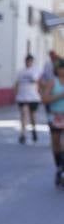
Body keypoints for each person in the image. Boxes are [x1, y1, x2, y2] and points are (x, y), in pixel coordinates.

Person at [40, 57, 64, 187]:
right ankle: (59, 167)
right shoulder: (52, 82)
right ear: (57, 69)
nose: (63, 70)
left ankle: (63, 169)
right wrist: (60, 96)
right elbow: (45, 99)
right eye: (61, 68)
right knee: (55, 143)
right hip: (55, 116)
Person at [14, 53, 42, 144]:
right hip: (22, 97)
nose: (28, 62)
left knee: (32, 116)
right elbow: (17, 83)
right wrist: (16, 94)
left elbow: (38, 81)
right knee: (24, 114)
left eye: (30, 61)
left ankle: (34, 129)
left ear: (32, 62)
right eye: (27, 61)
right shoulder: (20, 72)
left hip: (33, 97)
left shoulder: (36, 71)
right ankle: (23, 134)